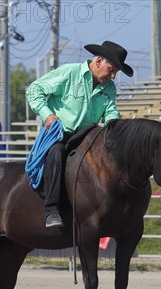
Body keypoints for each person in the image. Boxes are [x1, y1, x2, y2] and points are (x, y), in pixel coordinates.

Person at [26, 40, 133, 228]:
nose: (113, 75)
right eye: (112, 69)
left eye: (116, 71)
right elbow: (35, 89)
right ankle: (51, 209)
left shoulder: (109, 87)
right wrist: (48, 115)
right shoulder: (69, 72)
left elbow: (110, 111)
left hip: (88, 136)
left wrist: (114, 125)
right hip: (60, 134)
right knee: (56, 154)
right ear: (99, 61)